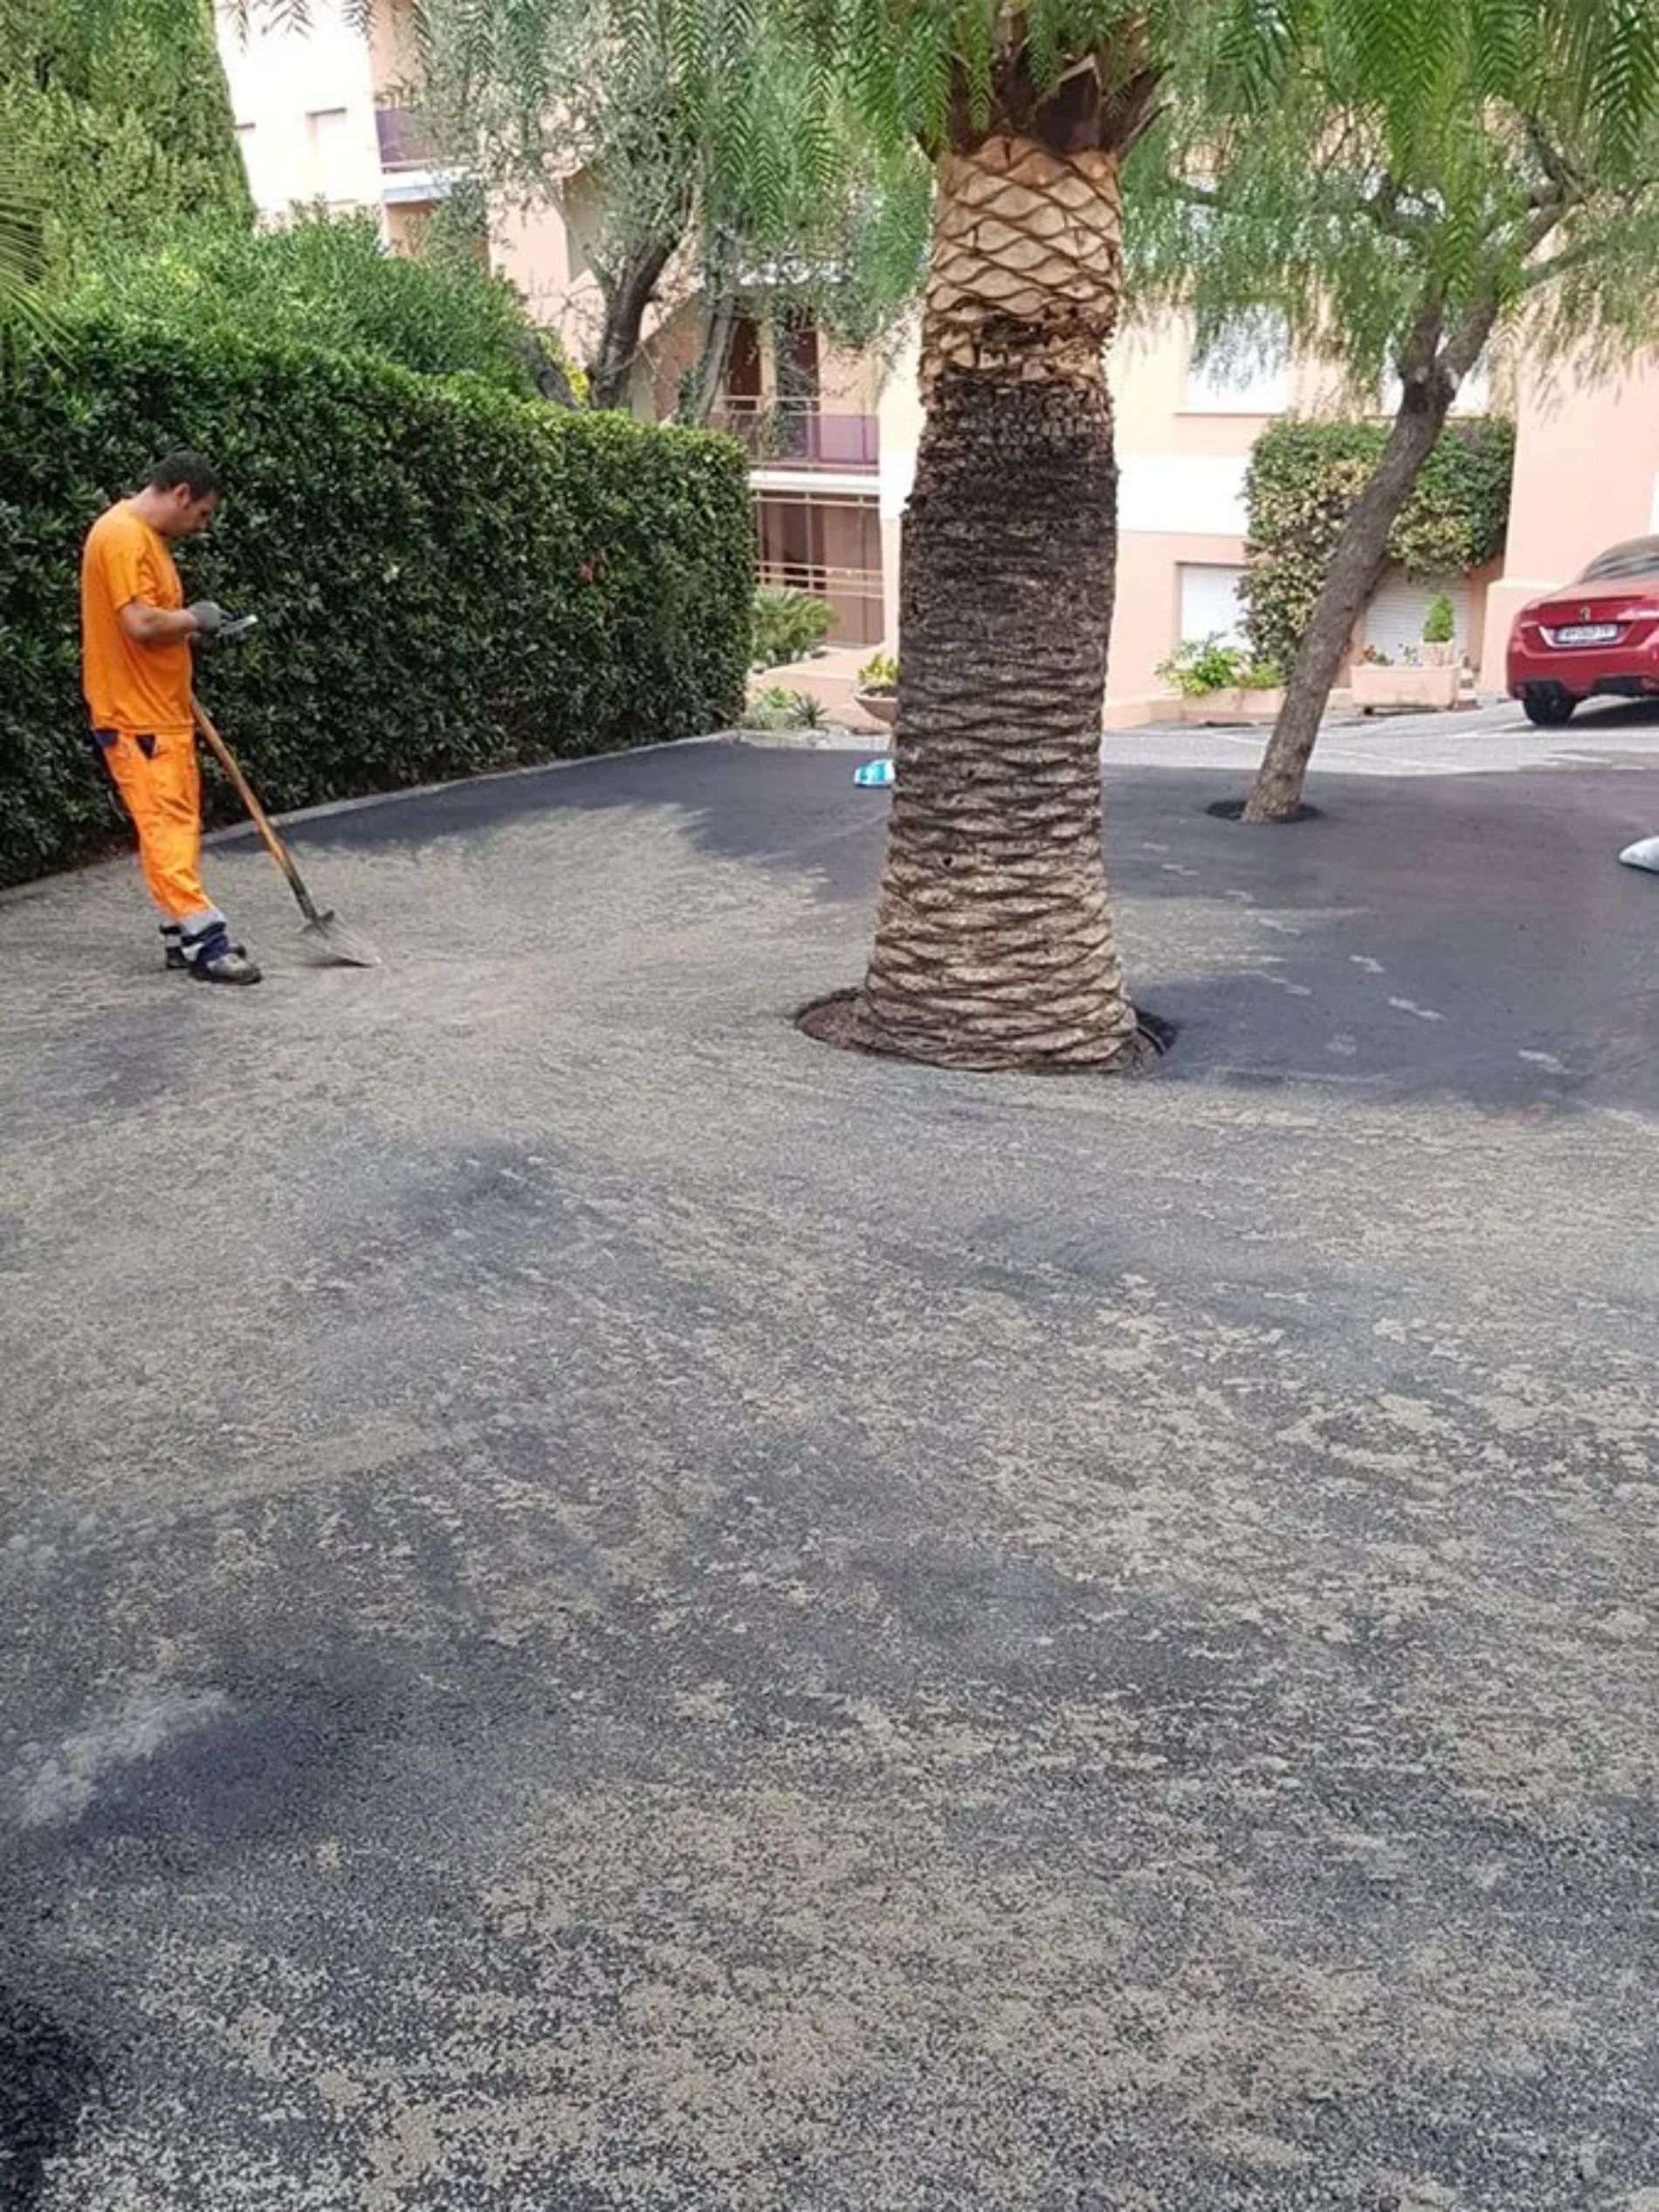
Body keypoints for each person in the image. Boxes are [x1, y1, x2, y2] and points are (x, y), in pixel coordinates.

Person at [80, 451, 261, 985]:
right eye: (202, 513)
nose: (201, 526)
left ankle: (180, 934)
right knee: (167, 827)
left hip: (159, 709)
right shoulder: (121, 537)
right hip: (138, 717)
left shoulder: (144, 541)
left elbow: (152, 627)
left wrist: (196, 632)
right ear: (181, 494)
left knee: (175, 825)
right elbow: (138, 623)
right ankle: (207, 942)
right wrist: (192, 617)